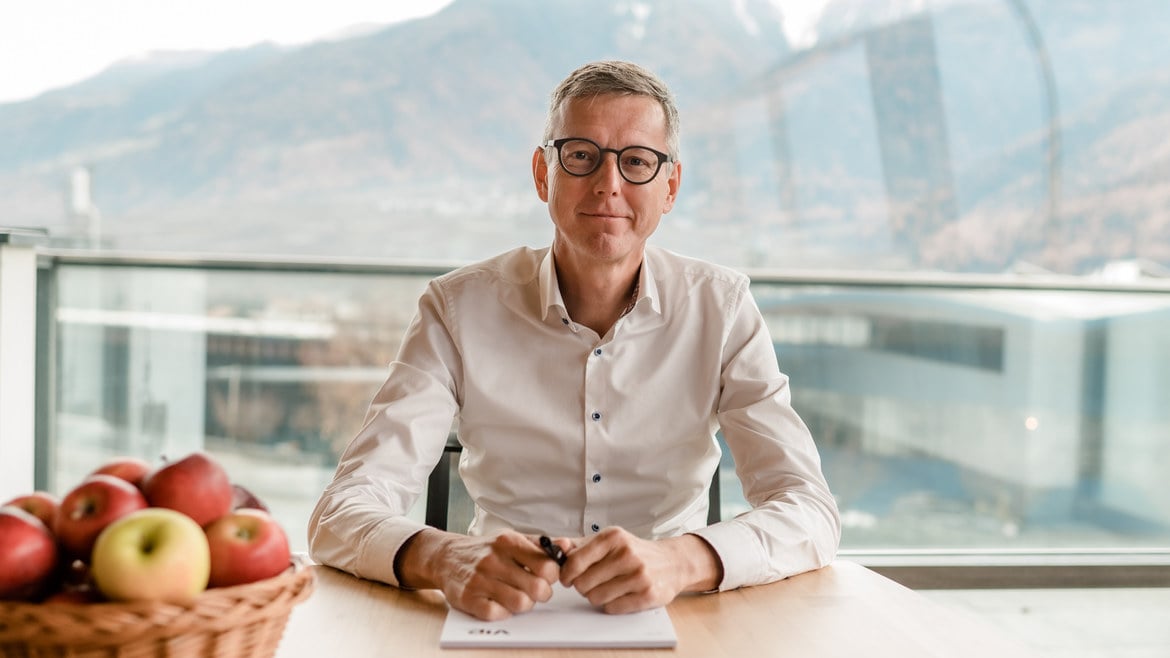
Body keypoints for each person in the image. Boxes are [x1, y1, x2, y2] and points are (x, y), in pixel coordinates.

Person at [308, 60, 840, 622]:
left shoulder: (722, 309)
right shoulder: (457, 308)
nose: (609, 184)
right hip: (498, 617)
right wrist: (445, 558)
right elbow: (339, 513)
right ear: (543, 174)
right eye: (582, 156)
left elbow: (809, 509)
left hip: (676, 618)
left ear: (670, 187)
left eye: (636, 161)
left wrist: (679, 562)